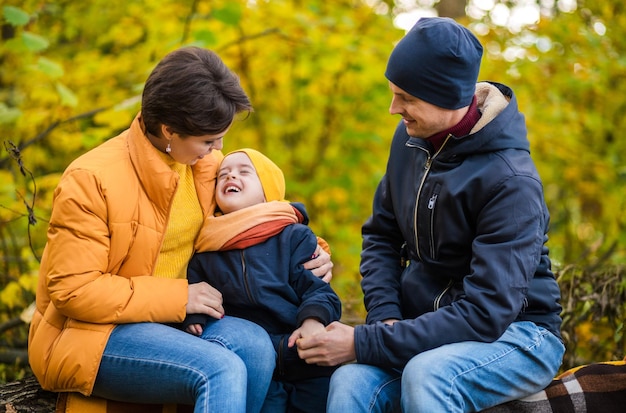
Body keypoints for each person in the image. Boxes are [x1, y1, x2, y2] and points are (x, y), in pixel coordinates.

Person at [27, 46, 332, 413]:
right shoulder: (91, 180)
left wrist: (313, 252)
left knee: (254, 344)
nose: (218, 149)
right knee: (220, 369)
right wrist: (179, 298)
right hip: (93, 334)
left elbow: (255, 220)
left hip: (179, 324)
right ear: (169, 130)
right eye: (208, 140)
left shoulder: (205, 166)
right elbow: (72, 290)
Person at [296, 17, 565, 412]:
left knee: (427, 374)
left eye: (405, 97)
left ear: (448, 97)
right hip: (422, 329)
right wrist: (385, 319)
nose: (393, 109)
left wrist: (363, 341)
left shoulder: (511, 182)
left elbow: (486, 313)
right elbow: (381, 238)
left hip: (519, 335)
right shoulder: (410, 140)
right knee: (351, 379)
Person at [183, 148, 342, 413]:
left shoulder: (294, 237)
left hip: (307, 359)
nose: (231, 176)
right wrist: (193, 320)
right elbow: (198, 296)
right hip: (256, 365)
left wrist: (313, 321)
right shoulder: (207, 249)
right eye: (223, 175)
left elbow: (319, 291)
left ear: (268, 190)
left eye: (244, 172)